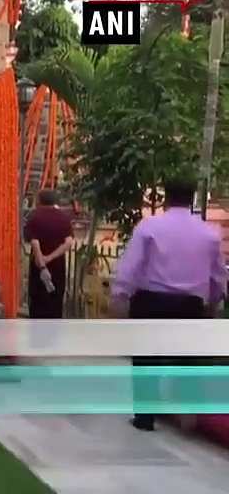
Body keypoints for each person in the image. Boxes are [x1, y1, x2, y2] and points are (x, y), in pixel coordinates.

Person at [111, 179, 227, 432]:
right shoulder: (209, 232)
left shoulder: (151, 226)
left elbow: (132, 264)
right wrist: (215, 300)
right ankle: (188, 418)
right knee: (187, 359)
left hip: (151, 300)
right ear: (192, 199)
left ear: (166, 198)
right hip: (189, 304)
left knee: (146, 358)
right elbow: (218, 273)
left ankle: (145, 417)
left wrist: (120, 293)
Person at [24, 189, 74, 319]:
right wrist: (50, 258)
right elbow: (68, 243)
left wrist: (42, 263)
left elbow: (35, 244)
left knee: (37, 305)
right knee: (55, 305)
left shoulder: (34, 218)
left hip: (38, 271)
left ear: (39, 201)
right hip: (58, 269)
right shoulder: (64, 219)